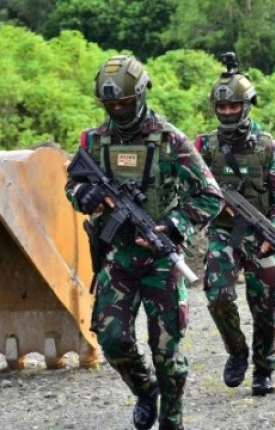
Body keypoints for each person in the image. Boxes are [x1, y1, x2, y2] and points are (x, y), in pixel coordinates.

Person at [65, 55, 223, 430]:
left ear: (141, 95)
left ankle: (172, 417)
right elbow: (72, 183)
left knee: (167, 351)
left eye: (124, 102)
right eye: (110, 105)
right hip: (116, 257)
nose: (118, 110)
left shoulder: (170, 140)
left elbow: (210, 195)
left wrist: (173, 224)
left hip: (161, 261)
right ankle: (144, 388)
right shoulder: (94, 140)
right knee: (112, 337)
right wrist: (83, 194)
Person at [196, 53, 275, 395]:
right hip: (224, 231)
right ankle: (237, 352)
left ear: (246, 106)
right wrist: (214, 203)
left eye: (233, 107)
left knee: (265, 305)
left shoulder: (268, 148)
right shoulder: (204, 147)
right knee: (218, 295)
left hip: (262, 234)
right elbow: (189, 187)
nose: (226, 113)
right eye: (221, 108)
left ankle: (264, 368)